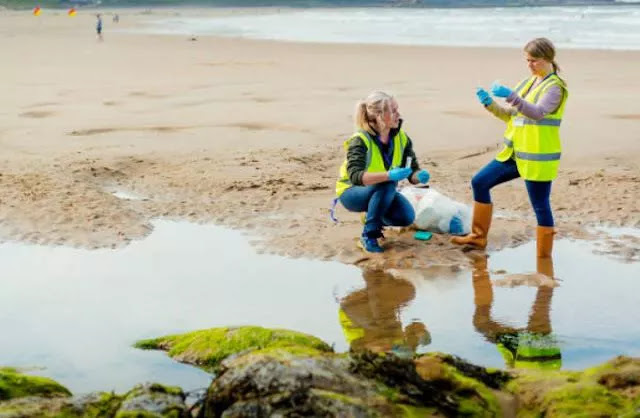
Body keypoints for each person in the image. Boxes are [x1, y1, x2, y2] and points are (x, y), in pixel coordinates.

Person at [451, 38, 568, 258]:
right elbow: (511, 116)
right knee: (480, 181)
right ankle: (477, 238)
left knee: (540, 206)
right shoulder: (527, 82)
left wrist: (511, 96)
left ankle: (544, 258)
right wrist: (489, 104)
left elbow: (538, 112)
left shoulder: (555, 88)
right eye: (527, 60)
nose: (530, 65)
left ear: (547, 59)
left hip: (537, 158)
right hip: (514, 154)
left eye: (534, 60)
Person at [334, 91, 431, 253]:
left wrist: (418, 176)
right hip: (351, 192)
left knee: (406, 217)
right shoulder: (360, 140)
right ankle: (369, 236)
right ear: (379, 116)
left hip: (381, 190)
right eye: (393, 110)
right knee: (387, 184)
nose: (398, 114)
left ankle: (371, 216)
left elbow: (412, 171)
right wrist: (388, 176)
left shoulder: (402, 138)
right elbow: (356, 176)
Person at [471, 254, 561, 370]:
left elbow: (510, 363)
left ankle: (545, 278)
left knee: (542, 305)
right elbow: (510, 365)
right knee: (481, 323)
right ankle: (479, 267)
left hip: (549, 356)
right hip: (535, 356)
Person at [338, 270, 431, 358]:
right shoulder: (408, 352)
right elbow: (415, 326)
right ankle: (381, 279)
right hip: (374, 306)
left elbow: (357, 348)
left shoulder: (382, 364)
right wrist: (421, 334)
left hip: (352, 314)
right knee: (408, 291)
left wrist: (388, 348)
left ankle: (374, 271)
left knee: (382, 321)